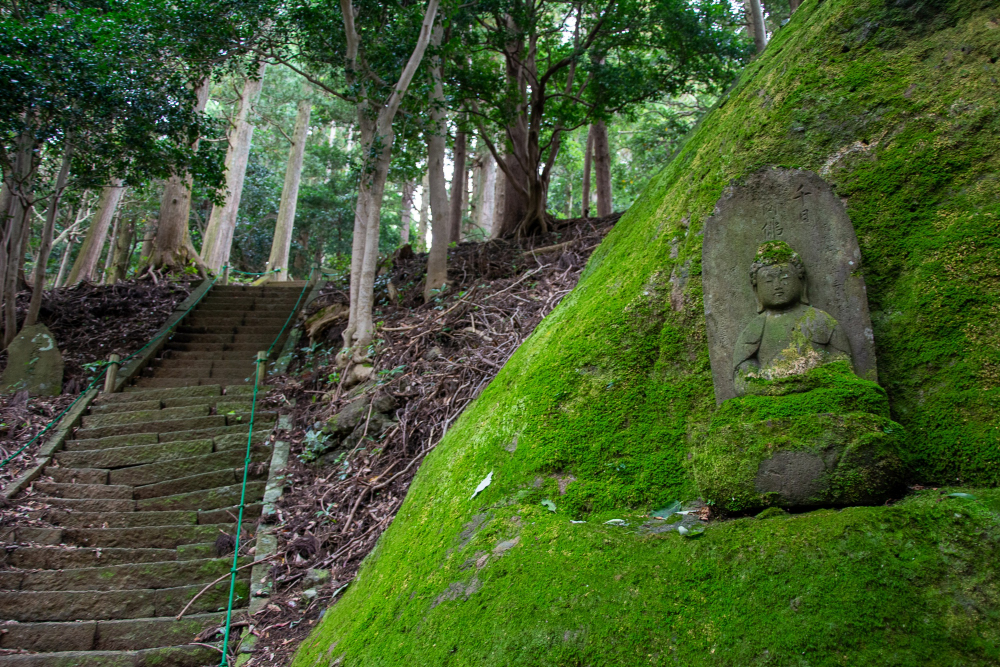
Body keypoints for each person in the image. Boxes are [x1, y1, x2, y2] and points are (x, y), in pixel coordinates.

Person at [733, 240, 852, 396]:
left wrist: (814, 378)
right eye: (768, 281)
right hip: (771, 397)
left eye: (785, 278)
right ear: (756, 290)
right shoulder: (754, 329)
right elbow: (742, 378)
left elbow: (843, 366)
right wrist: (767, 387)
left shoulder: (820, 320)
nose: (777, 286)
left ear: (801, 282)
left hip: (818, 393)